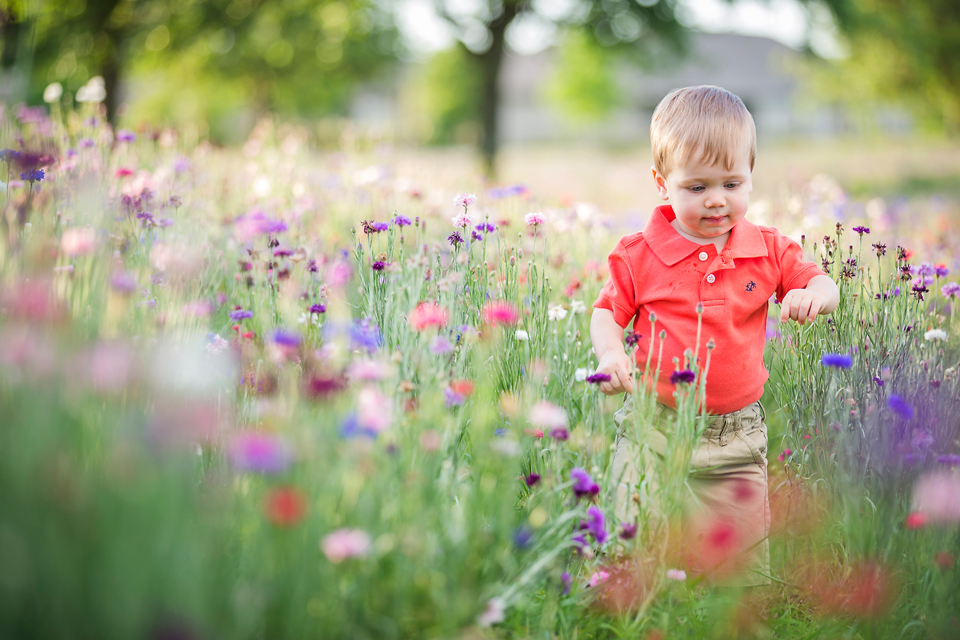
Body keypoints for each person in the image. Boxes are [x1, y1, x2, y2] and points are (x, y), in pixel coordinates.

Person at [590, 85, 840, 587]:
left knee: (740, 578)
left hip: (736, 438)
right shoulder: (638, 254)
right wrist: (611, 353)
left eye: (732, 183)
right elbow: (606, 313)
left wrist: (814, 294)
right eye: (697, 187)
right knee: (635, 552)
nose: (717, 200)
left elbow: (821, 281)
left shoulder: (767, 248)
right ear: (663, 184)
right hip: (654, 429)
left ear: (750, 175)